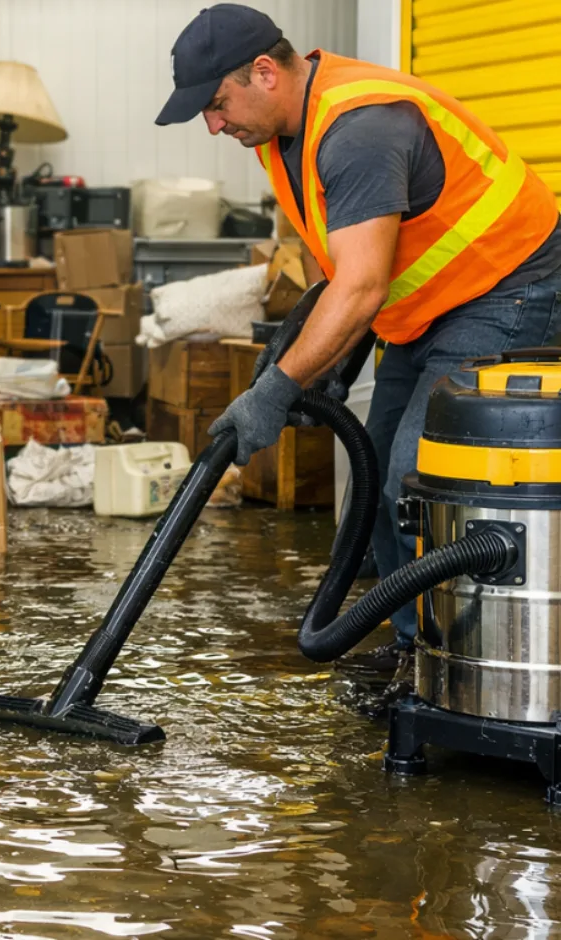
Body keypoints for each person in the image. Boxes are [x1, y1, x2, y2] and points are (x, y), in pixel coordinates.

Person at [156, 4, 561, 671]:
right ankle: (414, 653)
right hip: (431, 307)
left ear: (265, 72)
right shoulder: (283, 134)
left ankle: (467, 669)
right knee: (372, 476)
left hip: (508, 288)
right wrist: (313, 354)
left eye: (217, 103)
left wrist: (277, 389)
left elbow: (362, 287)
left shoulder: (359, 128)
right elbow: (341, 261)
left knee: (418, 480)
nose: (213, 124)